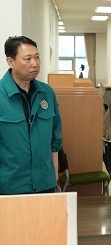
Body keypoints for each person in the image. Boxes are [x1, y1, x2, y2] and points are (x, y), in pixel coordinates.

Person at [0, 36, 63, 194]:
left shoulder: (47, 92)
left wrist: (54, 175)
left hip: (45, 183)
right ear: (10, 61)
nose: (34, 63)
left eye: (37, 57)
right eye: (27, 59)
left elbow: (55, 138)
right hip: (10, 186)